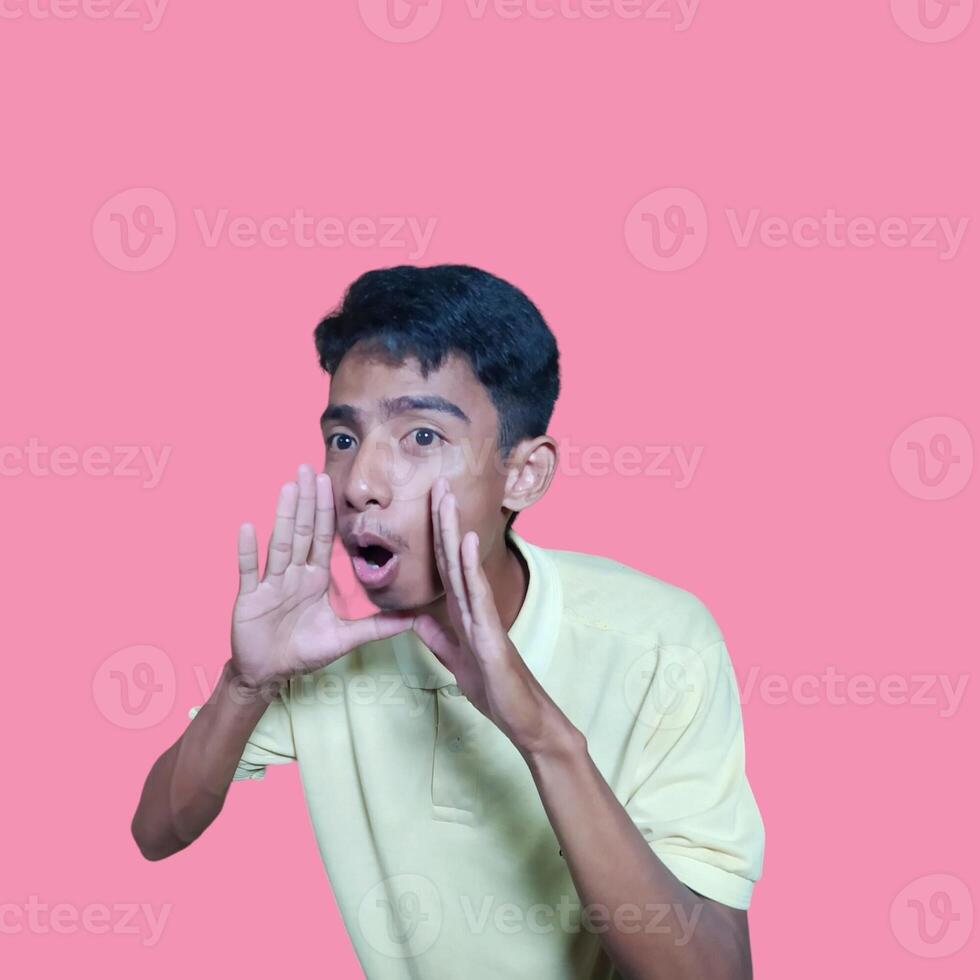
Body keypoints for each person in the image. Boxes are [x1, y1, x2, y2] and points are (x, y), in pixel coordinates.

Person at [131, 264, 764, 979]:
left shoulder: (659, 642)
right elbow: (157, 833)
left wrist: (541, 735)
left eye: (421, 437)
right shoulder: (319, 648)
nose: (362, 483)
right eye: (344, 439)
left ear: (522, 475)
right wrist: (245, 683)